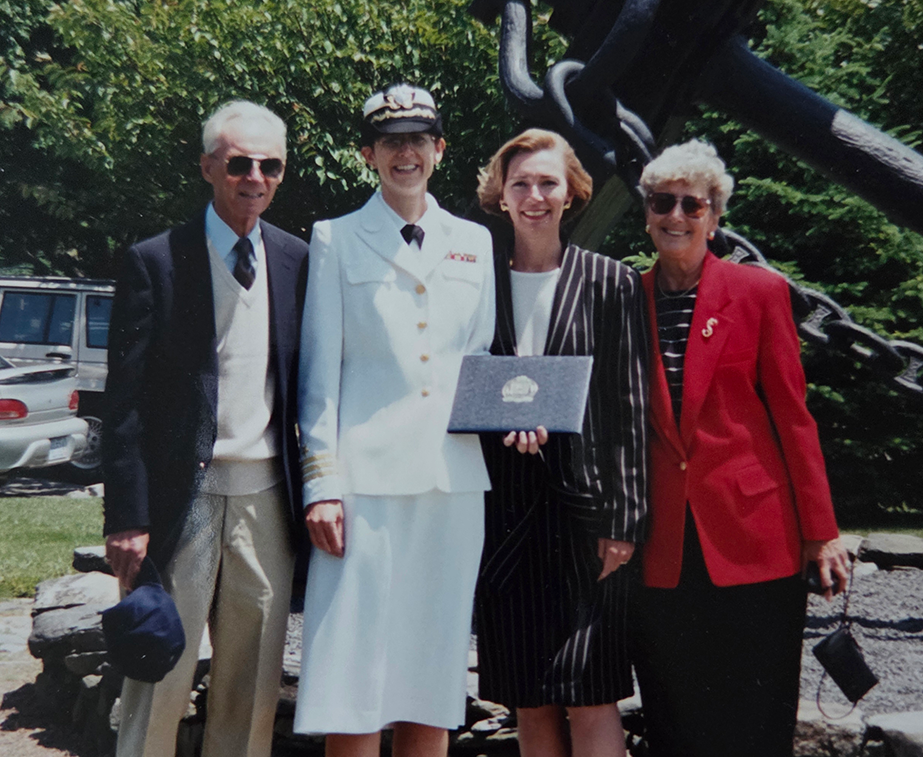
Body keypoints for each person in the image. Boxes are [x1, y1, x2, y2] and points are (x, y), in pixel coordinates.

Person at [293, 83, 495, 757]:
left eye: (417, 139)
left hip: (451, 485)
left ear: (438, 150)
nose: (404, 153)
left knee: (429, 673)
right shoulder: (336, 238)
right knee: (352, 674)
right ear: (368, 155)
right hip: (363, 487)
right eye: (389, 142)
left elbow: (479, 359)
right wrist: (321, 483)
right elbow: (319, 375)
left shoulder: (474, 242)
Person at [631, 139, 851, 757]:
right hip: (664, 540)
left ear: (714, 216)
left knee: (756, 712)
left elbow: (792, 416)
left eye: (690, 205)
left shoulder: (758, 294)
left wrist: (822, 531)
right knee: (675, 710)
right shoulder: (625, 299)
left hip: (755, 537)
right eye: (661, 203)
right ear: (646, 212)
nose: (675, 216)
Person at [102, 100, 309, 757]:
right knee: (157, 674)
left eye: (269, 165)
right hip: (177, 501)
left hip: (267, 500)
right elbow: (124, 405)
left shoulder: (298, 260)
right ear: (207, 166)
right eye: (239, 162)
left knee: (250, 690)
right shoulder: (155, 261)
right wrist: (127, 516)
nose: (254, 177)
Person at [474, 128, 649, 757]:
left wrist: (625, 520)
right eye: (520, 183)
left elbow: (629, 407)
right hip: (506, 516)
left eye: (548, 182)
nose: (534, 196)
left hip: (585, 517)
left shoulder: (610, 282)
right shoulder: (473, 282)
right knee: (531, 697)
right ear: (501, 195)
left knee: (593, 692)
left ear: (571, 192)